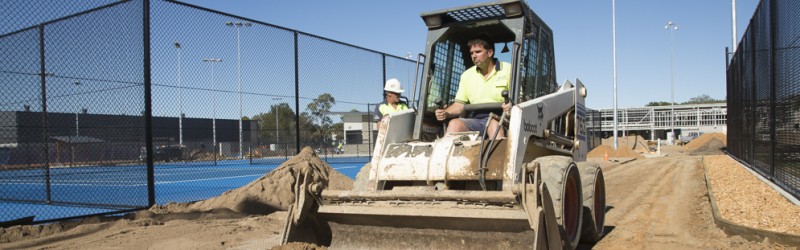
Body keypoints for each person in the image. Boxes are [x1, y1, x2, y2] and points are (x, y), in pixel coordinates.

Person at [435, 35, 511, 138]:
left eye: (478, 52)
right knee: (454, 124)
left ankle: (499, 153)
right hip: (475, 120)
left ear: (490, 52)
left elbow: (518, 101)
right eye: (471, 53)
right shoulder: (467, 75)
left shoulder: (508, 69)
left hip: (501, 119)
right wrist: (446, 112)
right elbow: (459, 105)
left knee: (493, 125)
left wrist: (510, 105)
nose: (474, 56)